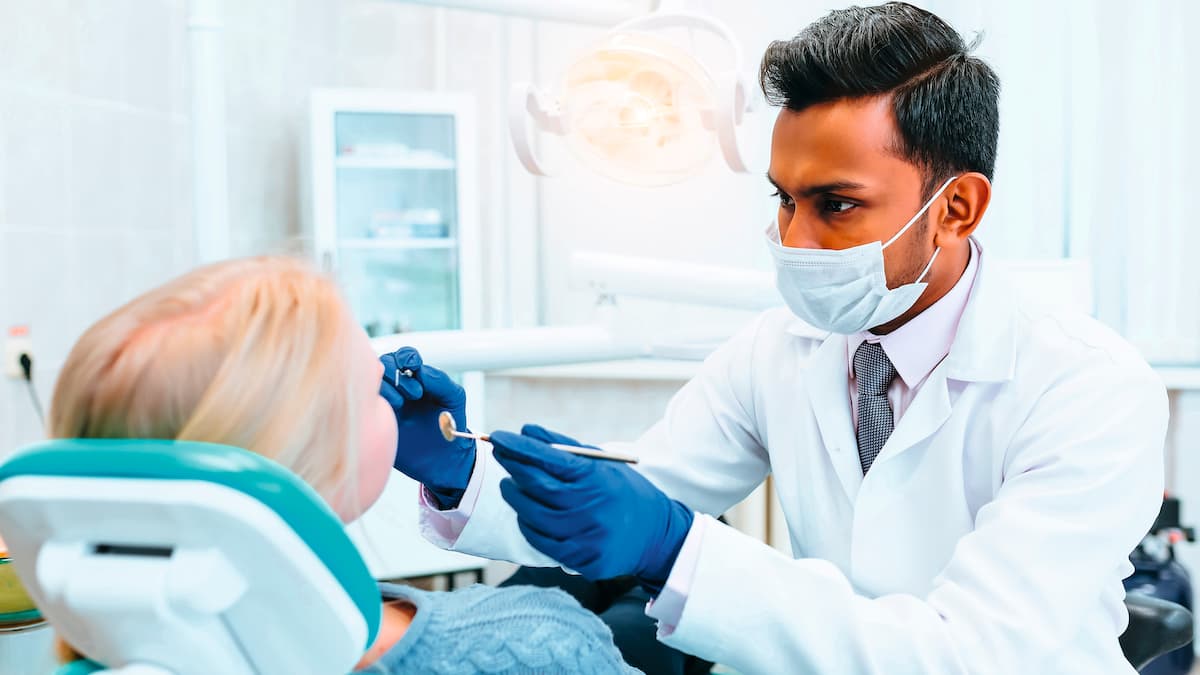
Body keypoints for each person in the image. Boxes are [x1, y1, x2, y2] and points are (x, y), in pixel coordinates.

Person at [381, 3, 1169, 674]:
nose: (793, 237)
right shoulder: (777, 350)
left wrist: (675, 549)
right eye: (784, 199)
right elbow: (630, 499)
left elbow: (962, 655)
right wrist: (462, 469)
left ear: (957, 207)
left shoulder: (1089, 389)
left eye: (836, 204)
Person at [47, 256, 640, 675]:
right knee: (643, 588)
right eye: (369, 387)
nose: (389, 384)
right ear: (318, 454)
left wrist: (460, 474)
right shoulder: (545, 642)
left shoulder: (109, 649)